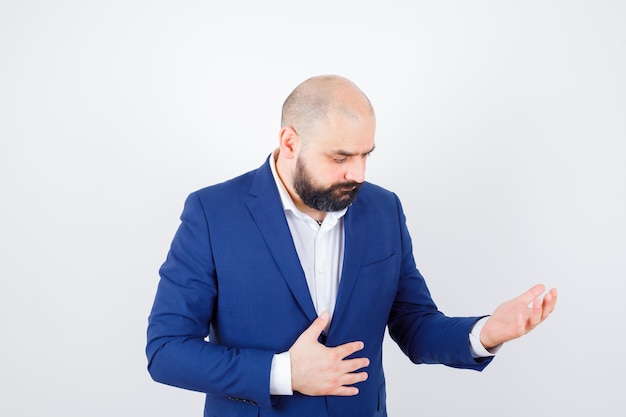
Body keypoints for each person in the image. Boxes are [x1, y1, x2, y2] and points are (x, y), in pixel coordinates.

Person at [146, 75, 557, 417]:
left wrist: (484, 332)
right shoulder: (212, 212)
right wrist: (284, 372)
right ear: (290, 143)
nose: (357, 174)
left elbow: (414, 325)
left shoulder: (384, 209)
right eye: (340, 157)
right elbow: (166, 351)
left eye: (366, 155)